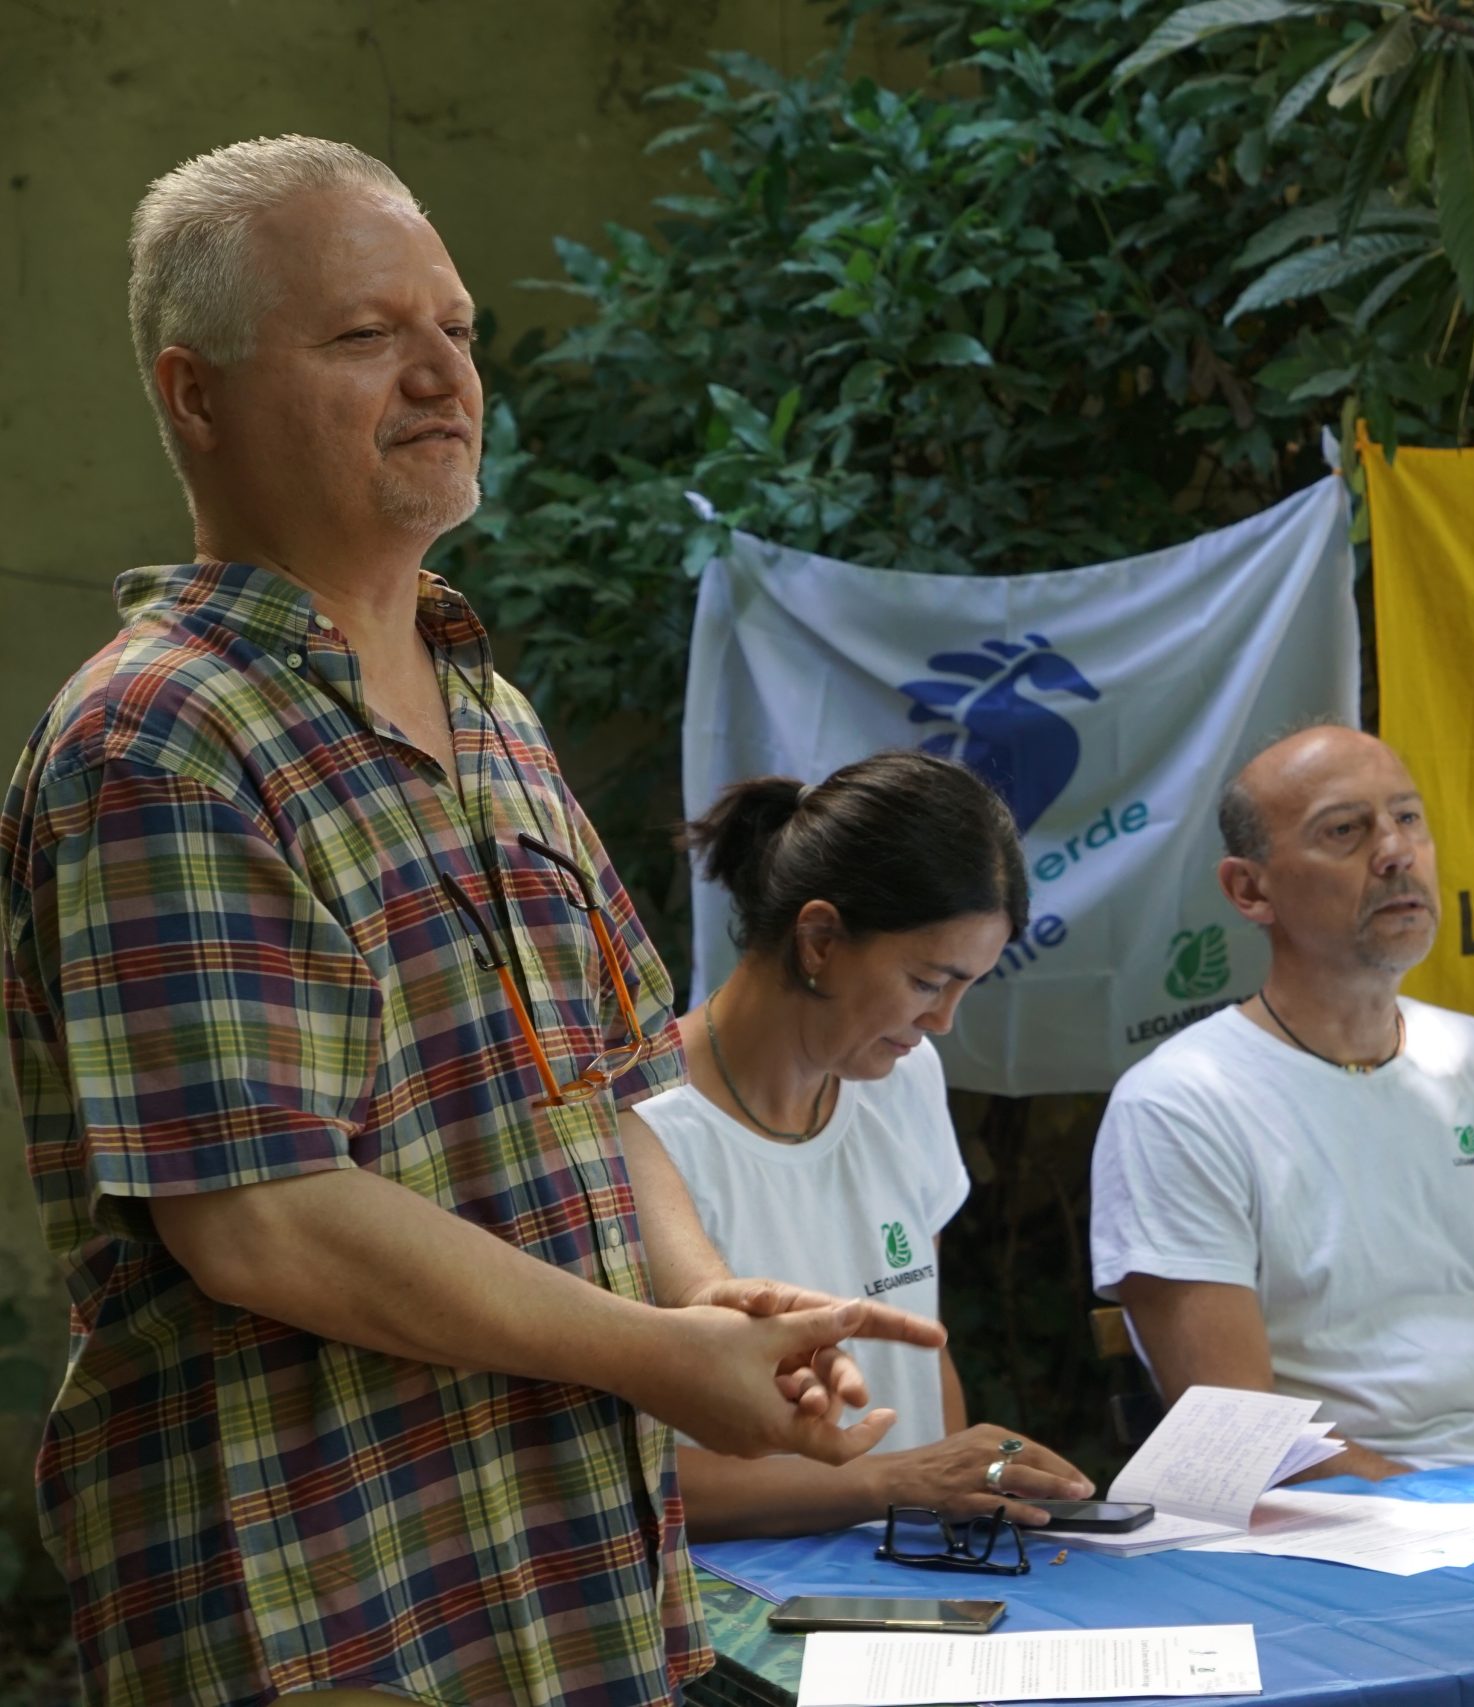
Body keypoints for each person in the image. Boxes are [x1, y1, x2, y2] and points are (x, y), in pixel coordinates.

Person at [0, 136, 938, 1707]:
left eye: (459, 328)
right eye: (367, 336)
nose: (444, 375)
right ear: (195, 394)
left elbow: (594, 1092)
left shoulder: (486, 704)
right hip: (331, 1608)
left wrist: (698, 1293)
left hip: (573, 1583)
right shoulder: (160, 736)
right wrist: (657, 1357)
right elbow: (263, 1217)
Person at [1089, 725, 1474, 1474]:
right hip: (1342, 1533)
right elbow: (1234, 1423)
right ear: (1249, 889)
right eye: (1346, 830)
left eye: (1408, 818)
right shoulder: (1179, 1103)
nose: (1395, 851)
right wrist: (1464, 1523)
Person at [637, 754, 1094, 1537]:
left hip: (907, 1575)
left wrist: (957, 1495)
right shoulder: (644, 1126)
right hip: (741, 1609)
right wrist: (892, 1483)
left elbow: (922, 1355)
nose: (945, 1019)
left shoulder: (903, 1080)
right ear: (818, 939)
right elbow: (626, 1475)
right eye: (927, 981)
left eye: (967, 986)